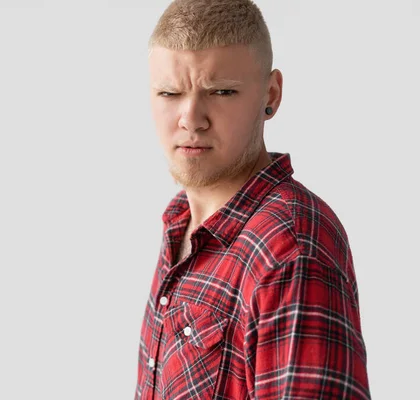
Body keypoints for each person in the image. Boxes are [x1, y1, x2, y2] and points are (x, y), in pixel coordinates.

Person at [134, 0, 371, 399]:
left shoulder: (290, 249)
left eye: (222, 91)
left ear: (271, 95)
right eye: (169, 92)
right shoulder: (181, 223)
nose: (191, 118)